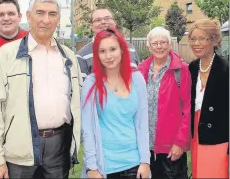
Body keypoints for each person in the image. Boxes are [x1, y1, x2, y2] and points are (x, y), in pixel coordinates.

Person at [0, 0, 82, 179]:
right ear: (28, 16)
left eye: (52, 14)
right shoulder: (6, 54)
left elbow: (75, 101)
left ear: (58, 19)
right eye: (40, 13)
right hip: (19, 148)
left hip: (58, 146)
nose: (46, 20)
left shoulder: (68, 56)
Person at [81, 27, 150, 179]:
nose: (108, 56)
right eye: (102, 51)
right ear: (97, 55)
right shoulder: (91, 83)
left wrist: (145, 161)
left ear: (122, 51)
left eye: (113, 49)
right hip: (104, 166)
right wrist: (91, 167)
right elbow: (88, 129)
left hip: (134, 164)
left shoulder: (137, 79)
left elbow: (142, 123)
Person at [138, 27, 191, 179]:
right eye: (155, 43)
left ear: (170, 45)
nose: (159, 46)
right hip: (145, 147)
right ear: (149, 46)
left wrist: (180, 143)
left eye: (163, 42)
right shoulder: (141, 70)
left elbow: (187, 109)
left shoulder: (181, 70)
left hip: (171, 147)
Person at [188, 19, 229, 178]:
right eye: (192, 39)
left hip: (220, 137)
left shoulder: (225, 70)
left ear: (214, 41)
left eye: (202, 38)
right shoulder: (191, 68)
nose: (196, 43)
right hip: (197, 134)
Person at [77, 9, 139, 80]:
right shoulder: (82, 55)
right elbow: (83, 87)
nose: (103, 22)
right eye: (98, 20)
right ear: (92, 26)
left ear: (114, 22)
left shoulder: (130, 48)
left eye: (107, 18)